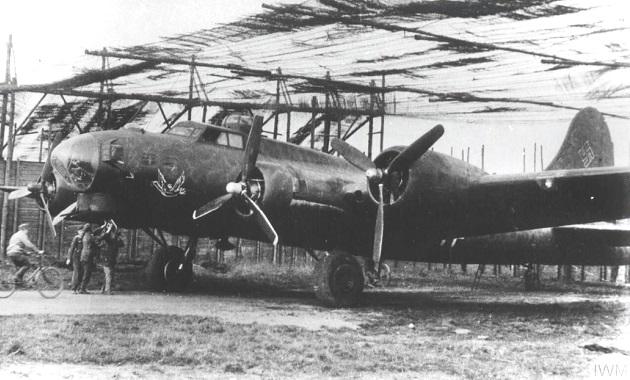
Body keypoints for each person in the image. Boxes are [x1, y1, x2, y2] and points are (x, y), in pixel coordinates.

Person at [95, 222, 124, 295]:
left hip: (111, 259)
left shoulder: (113, 239)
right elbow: (101, 236)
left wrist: (117, 235)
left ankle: (104, 289)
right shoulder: (107, 238)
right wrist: (107, 230)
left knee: (108, 275)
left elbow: (121, 244)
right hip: (107, 258)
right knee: (109, 275)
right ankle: (107, 290)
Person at [66, 224, 90, 293]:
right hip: (76, 257)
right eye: (80, 231)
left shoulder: (84, 238)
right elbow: (71, 248)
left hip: (82, 257)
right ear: (78, 231)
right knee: (76, 272)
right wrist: (68, 258)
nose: (82, 232)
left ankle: (80, 288)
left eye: (83, 231)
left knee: (81, 272)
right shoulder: (76, 238)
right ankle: (74, 288)